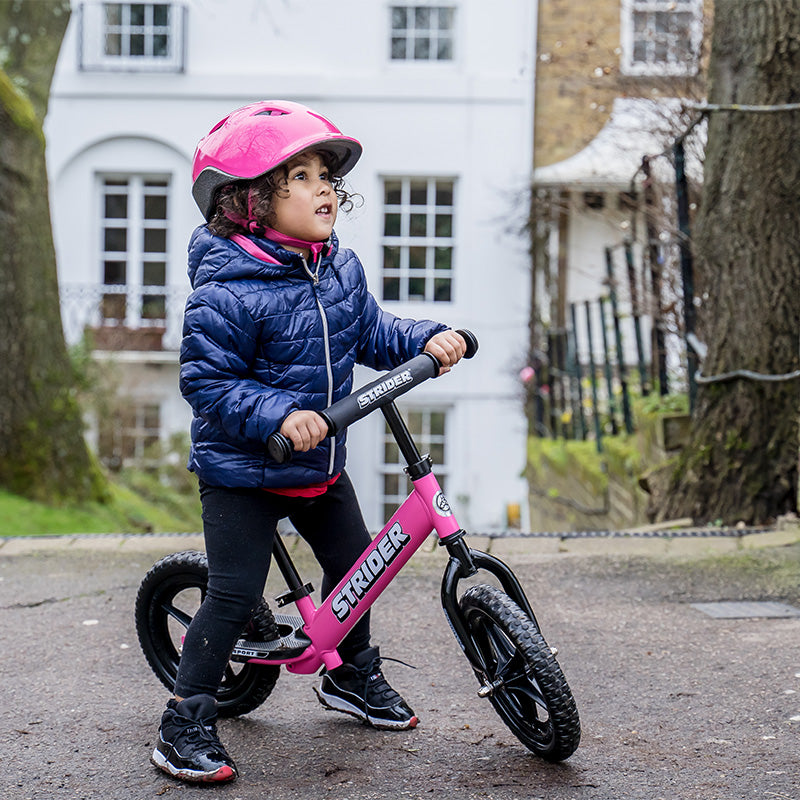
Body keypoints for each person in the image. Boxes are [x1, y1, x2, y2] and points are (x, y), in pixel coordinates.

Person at [150, 100, 466, 784]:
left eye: (326, 173)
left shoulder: (337, 269)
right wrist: (275, 416)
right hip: (244, 469)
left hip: (320, 463)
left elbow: (374, 335)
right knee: (233, 595)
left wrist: (427, 339)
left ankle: (351, 676)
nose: (323, 186)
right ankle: (184, 720)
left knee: (357, 570)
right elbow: (209, 384)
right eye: (300, 175)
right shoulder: (226, 291)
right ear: (252, 200)